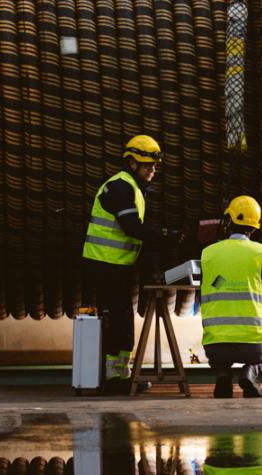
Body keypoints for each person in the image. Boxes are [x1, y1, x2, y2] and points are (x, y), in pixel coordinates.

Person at [83, 135, 181, 391]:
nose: (153, 171)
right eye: (148, 165)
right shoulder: (120, 187)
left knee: (120, 320)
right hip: (107, 265)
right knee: (119, 321)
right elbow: (132, 228)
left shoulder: (131, 188)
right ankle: (116, 378)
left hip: (114, 265)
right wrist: (166, 235)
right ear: (131, 163)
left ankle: (118, 376)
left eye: (154, 166)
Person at [200, 196, 262, 398]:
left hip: (215, 347)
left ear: (229, 222)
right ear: (254, 228)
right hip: (254, 348)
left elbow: (213, 287)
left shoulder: (208, 253)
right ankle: (250, 371)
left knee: (220, 347)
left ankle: (223, 376)